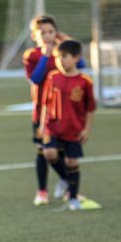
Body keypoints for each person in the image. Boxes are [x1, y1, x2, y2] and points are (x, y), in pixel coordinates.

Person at [22, 15, 85, 206]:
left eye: (51, 32)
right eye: (43, 33)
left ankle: (69, 188)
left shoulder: (63, 53)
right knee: (43, 150)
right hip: (42, 112)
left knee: (64, 152)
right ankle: (43, 190)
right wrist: (45, 56)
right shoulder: (32, 55)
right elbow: (36, 78)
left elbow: (80, 65)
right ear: (34, 36)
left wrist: (68, 43)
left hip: (64, 112)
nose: (48, 36)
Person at [38, 41, 96, 211]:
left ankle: (73, 198)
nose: (59, 61)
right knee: (49, 153)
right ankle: (64, 179)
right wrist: (42, 125)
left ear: (76, 58)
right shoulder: (53, 77)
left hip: (74, 129)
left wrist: (87, 129)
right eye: (57, 57)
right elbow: (46, 103)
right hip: (52, 126)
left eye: (64, 57)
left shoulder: (85, 82)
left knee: (72, 162)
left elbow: (90, 108)